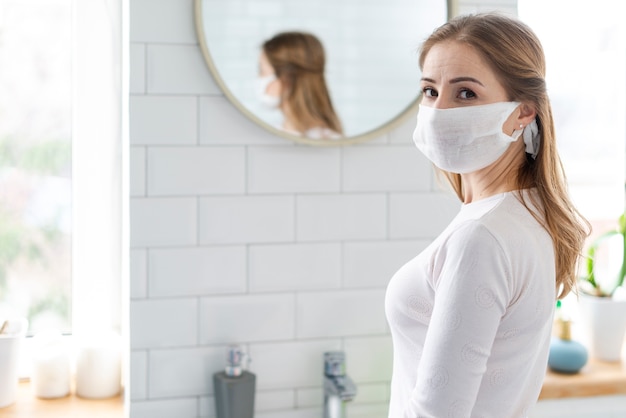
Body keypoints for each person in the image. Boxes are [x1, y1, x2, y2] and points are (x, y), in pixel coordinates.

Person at [385, 13, 590, 418]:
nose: (439, 110)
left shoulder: (482, 237)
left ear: (523, 112)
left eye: (465, 94)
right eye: (430, 91)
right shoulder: (527, 214)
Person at [256, 31, 343, 139]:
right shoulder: (270, 135)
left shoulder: (329, 140)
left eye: (262, 70)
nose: (259, 78)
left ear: (286, 78)